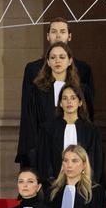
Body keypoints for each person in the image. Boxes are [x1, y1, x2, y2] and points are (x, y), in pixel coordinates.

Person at [17, 18, 94, 165]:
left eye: (62, 31)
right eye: (54, 31)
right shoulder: (33, 72)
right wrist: (29, 149)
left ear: (69, 36)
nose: (58, 36)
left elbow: (88, 111)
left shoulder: (84, 70)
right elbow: (28, 114)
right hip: (43, 141)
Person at [17, 41, 81, 167]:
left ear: (70, 61)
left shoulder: (80, 90)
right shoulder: (37, 90)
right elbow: (31, 121)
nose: (57, 61)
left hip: (73, 145)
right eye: (53, 57)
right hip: (44, 149)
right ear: (48, 62)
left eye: (62, 57)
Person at [35, 84, 105, 188]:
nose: (69, 102)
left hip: (84, 185)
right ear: (60, 103)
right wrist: (52, 182)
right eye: (65, 98)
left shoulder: (91, 130)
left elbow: (96, 159)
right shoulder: (48, 129)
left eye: (73, 98)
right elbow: (44, 159)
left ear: (80, 102)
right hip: (55, 186)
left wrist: (88, 182)